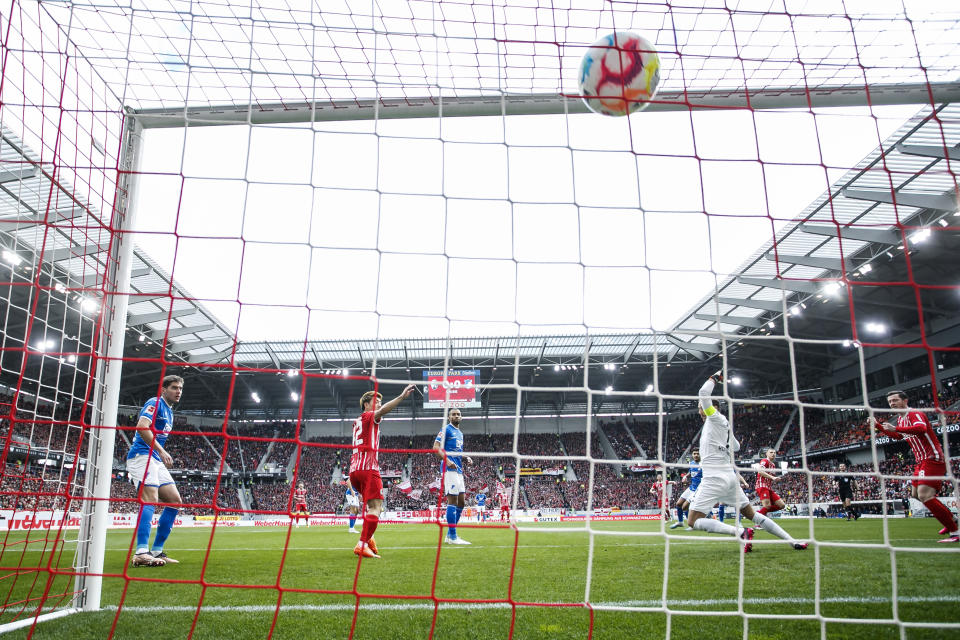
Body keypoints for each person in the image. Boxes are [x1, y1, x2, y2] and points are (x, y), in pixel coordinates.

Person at [686, 371, 807, 552]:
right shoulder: (722, 425)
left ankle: (741, 532)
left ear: (713, 407)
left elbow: (703, 393)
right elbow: (736, 446)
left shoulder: (714, 417)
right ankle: (793, 541)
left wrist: (716, 376)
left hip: (714, 478)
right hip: (729, 478)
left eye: (700, 407)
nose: (699, 409)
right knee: (752, 514)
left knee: (693, 521)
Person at [869, 390, 958, 542]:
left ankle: (955, 532)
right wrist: (879, 426)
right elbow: (898, 436)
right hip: (920, 461)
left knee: (925, 495)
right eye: (890, 402)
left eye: (895, 400)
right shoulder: (901, 420)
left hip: (932, 457)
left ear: (905, 401)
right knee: (916, 495)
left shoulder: (913, 414)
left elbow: (921, 428)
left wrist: (895, 428)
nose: (892, 404)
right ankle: (952, 520)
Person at [349, 384, 417, 559]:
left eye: (380, 401)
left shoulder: (357, 421)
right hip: (368, 468)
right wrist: (402, 397)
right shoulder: (368, 416)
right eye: (376, 401)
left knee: (372, 507)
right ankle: (362, 544)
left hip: (355, 469)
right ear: (366, 404)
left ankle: (369, 538)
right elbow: (382, 412)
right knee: (376, 508)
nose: (379, 404)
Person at [126, 375, 185, 567]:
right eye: (174, 387)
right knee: (150, 498)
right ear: (163, 389)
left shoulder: (170, 412)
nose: (178, 391)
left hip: (155, 459)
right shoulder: (155, 402)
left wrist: (159, 454)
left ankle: (157, 551)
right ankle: (142, 551)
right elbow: (142, 427)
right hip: (142, 456)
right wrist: (161, 450)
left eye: (180, 388)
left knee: (175, 501)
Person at [433, 408, 474, 544]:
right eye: (453, 414)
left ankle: (450, 535)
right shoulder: (446, 429)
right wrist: (448, 461)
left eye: (458, 414)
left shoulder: (460, 433)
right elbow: (436, 447)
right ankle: (453, 536)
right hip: (448, 469)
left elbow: (456, 452)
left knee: (461, 502)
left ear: (461, 417)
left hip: (459, 470)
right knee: (453, 501)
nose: (456, 416)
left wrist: (465, 457)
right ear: (449, 417)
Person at [671, 449, 702, 530]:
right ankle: (680, 522)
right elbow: (691, 472)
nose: (696, 455)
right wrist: (685, 476)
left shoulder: (703, 464)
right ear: (692, 455)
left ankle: (692, 525)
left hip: (698, 490)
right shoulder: (691, 463)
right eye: (694, 453)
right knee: (678, 504)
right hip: (691, 487)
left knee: (685, 507)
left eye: (697, 454)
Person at [754, 448, 786, 516]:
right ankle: (758, 522)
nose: (773, 454)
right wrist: (773, 477)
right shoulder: (765, 461)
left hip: (769, 488)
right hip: (762, 485)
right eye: (771, 452)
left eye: (774, 453)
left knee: (781, 505)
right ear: (766, 454)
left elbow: (770, 477)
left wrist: (776, 479)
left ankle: (759, 513)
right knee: (767, 506)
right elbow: (760, 471)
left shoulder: (773, 465)